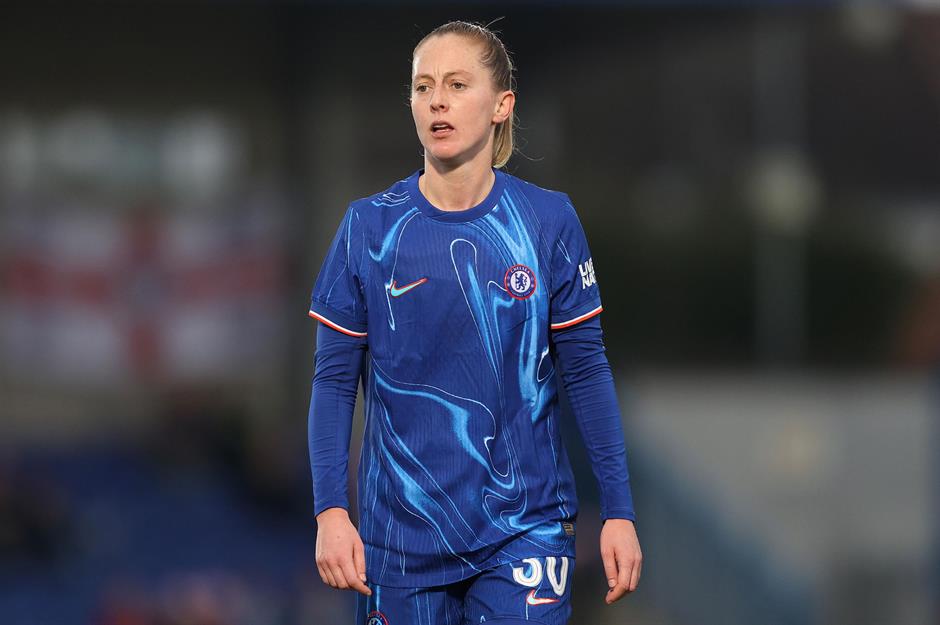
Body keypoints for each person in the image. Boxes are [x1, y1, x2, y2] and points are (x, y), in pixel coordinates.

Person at [307, 20, 642, 625]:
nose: (437, 100)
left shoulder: (547, 221)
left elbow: (587, 371)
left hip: (526, 529)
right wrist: (331, 511)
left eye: (457, 85)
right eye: (423, 87)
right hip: (399, 540)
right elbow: (333, 383)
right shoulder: (367, 229)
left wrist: (618, 509)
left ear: (501, 105)